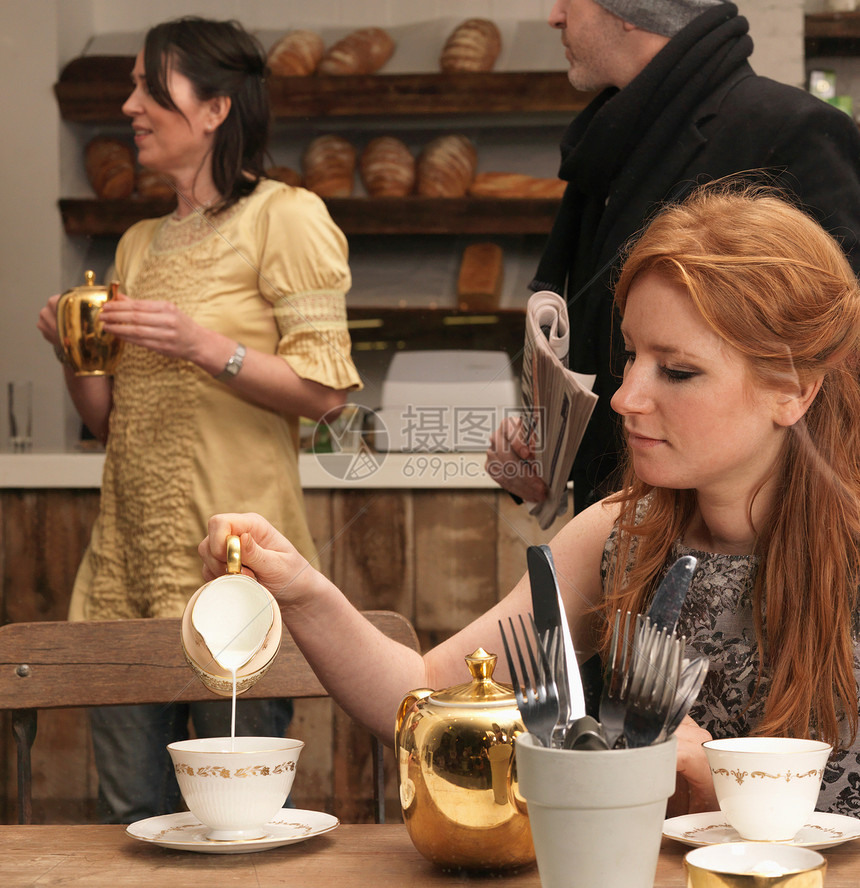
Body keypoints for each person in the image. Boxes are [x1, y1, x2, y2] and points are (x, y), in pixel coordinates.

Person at [199, 184, 860, 817]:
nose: (626, 398)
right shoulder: (619, 535)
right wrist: (303, 591)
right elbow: (427, 701)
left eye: (678, 371)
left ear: (793, 389)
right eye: (630, 356)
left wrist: (727, 781)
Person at [37, 16, 361, 824]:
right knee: (129, 821)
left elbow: (327, 392)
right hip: (125, 570)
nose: (131, 104)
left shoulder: (285, 216)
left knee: (239, 822)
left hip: (236, 575)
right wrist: (73, 351)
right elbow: (108, 419)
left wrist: (203, 344)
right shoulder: (138, 242)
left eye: (150, 85)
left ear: (214, 108)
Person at [485, 0, 860, 516]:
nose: (554, 16)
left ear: (631, 10)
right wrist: (544, 457)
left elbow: (840, 360)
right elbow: (597, 339)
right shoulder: (611, 138)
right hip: (618, 531)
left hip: (757, 542)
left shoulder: (788, 131)